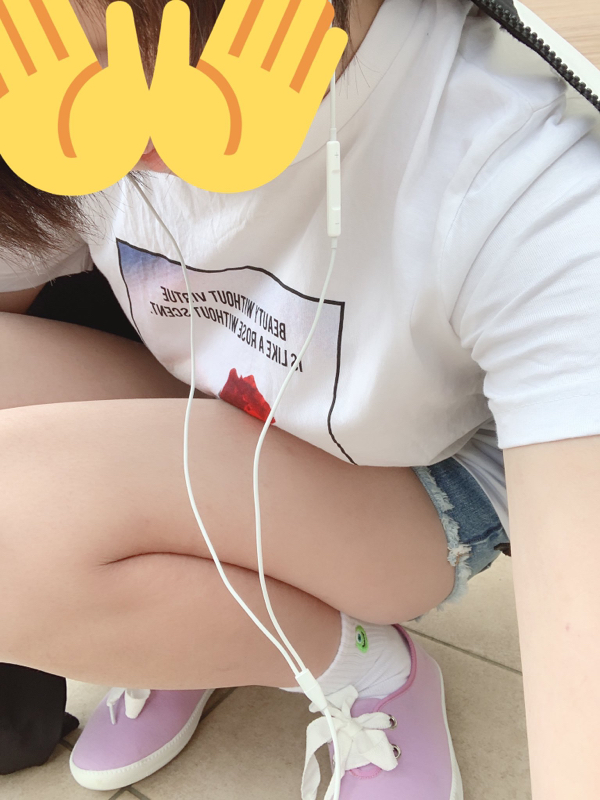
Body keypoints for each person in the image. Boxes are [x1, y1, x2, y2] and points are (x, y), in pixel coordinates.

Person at [0, 0, 599, 798]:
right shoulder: (57, 89)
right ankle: (194, 631)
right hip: (241, 406)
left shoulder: (523, 168)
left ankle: (361, 667)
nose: (94, 111)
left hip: (416, 481)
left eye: (131, 56)